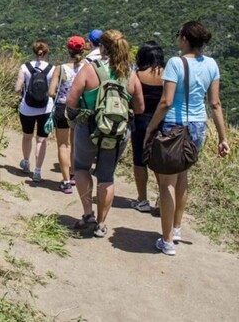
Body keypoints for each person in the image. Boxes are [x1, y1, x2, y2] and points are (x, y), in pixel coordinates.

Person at [145, 21, 230, 256]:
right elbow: (215, 103)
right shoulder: (212, 65)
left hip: (174, 126)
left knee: (166, 183)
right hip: (198, 127)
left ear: (184, 39)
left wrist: (151, 128)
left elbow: (166, 101)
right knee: (183, 175)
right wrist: (223, 138)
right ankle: (177, 228)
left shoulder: (175, 63)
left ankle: (167, 240)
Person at [65, 30, 144, 237]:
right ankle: (101, 224)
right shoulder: (130, 74)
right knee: (106, 177)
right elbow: (140, 108)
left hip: (89, 127)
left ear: (102, 47)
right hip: (117, 133)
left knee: (81, 168)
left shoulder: (90, 70)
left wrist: (75, 116)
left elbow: (71, 101)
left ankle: (88, 213)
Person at [48, 35, 86, 194]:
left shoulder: (60, 68)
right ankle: (74, 176)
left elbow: (51, 92)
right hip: (80, 108)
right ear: (83, 50)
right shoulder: (88, 68)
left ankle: (65, 182)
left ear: (68, 50)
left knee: (63, 145)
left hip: (62, 107)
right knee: (75, 144)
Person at [130, 41, 165, 213]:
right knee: (159, 162)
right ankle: (162, 199)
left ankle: (142, 200)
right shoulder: (167, 75)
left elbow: (132, 99)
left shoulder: (137, 75)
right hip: (162, 121)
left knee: (139, 160)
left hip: (140, 120)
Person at [15, 40, 55, 182]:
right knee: (41, 140)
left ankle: (26, 162)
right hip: (46, 108)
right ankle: (37, 172)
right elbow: (53, 91)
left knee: (27, 136)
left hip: (27, 108)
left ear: (34, 51)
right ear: (46, 52)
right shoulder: (53, 68)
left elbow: (17, 88)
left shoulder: (25, 67)